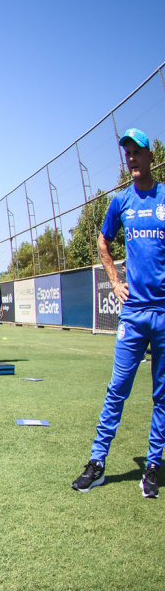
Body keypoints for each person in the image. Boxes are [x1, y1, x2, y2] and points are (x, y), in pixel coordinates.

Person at [74, 128, 165, 498]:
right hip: (133, 312)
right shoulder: (120, 202)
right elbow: (102, 240)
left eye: (136, 151)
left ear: (150, 154)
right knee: (117, 389)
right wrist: (114, 280)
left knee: (162, 395)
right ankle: (98, 462)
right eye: (126, 152)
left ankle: (154, 465)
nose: (131, 158)